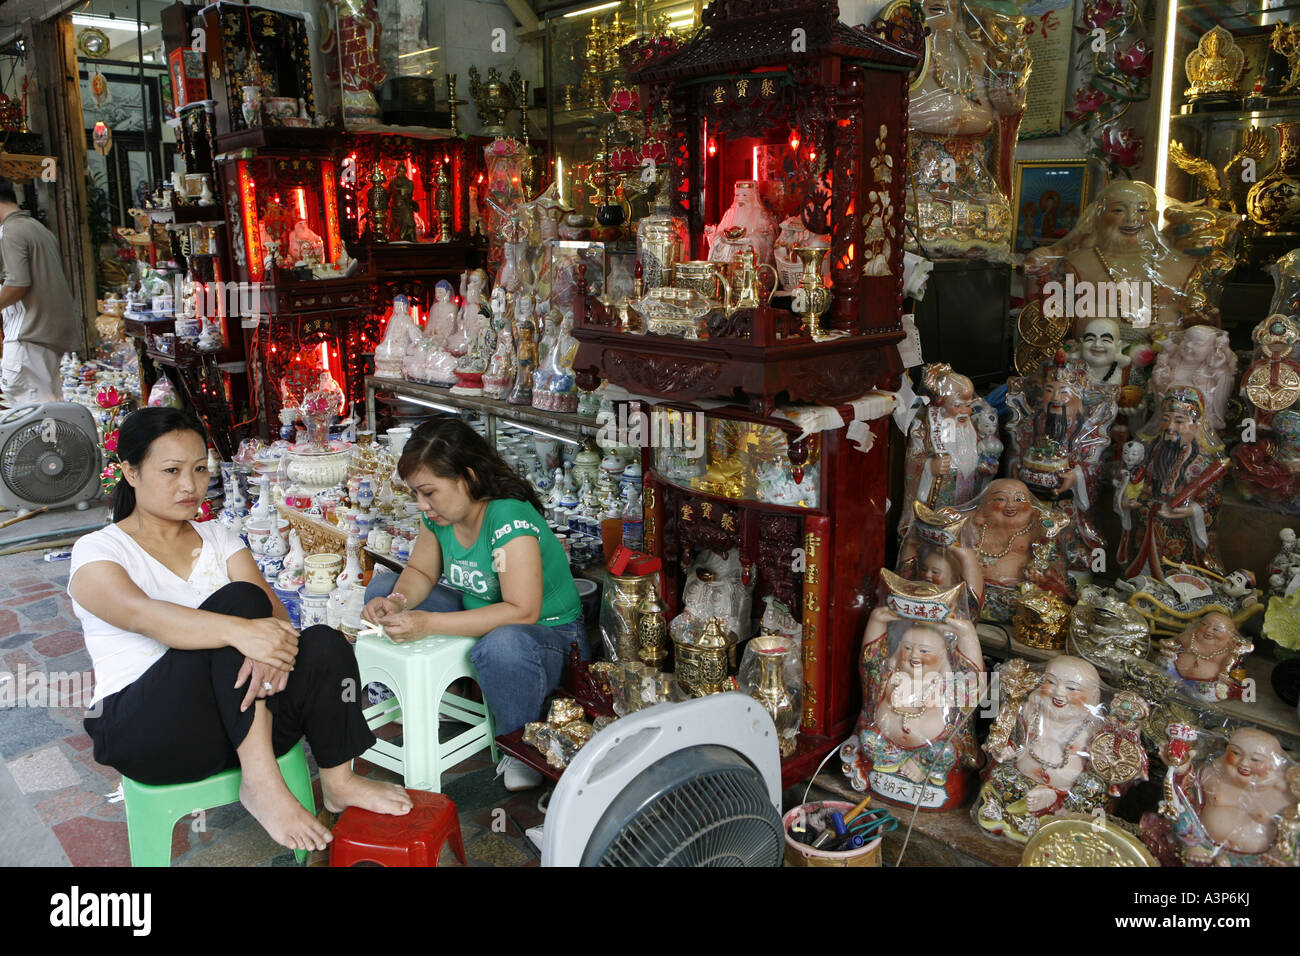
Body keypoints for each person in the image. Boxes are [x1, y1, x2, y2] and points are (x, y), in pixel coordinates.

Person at [69, 408, 411, 855]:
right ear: (131, 472)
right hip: (150, 732)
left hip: (233, 723)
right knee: (240, 605)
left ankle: (339, 782)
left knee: (323, 640)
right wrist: (241, 633)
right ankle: (262, 783)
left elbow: (278, 624)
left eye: (198, 469)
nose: (189, 486)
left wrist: (260, 642)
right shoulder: (98, 550)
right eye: (171, 471)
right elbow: (143, 616)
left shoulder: (218, 538)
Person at [363, 416, 586, 791]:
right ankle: (438, 698)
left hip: (544, 634)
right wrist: (398, 601)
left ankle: (520, 749)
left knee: (503, 643)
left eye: (429, 492)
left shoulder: (507, 517)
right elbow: (419, 570)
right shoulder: (440, 519)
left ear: (465, 478)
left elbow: (522, 611)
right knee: (380, 589)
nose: (422, 504)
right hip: (482, 612)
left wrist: (428, 623)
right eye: (416, 494)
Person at [0, 180, 83, 407]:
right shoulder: (39, 229)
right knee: (49, 416)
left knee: (34, 425)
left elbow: (18, 284)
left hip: (27, 338)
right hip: (45, 339)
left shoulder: (11, 231)